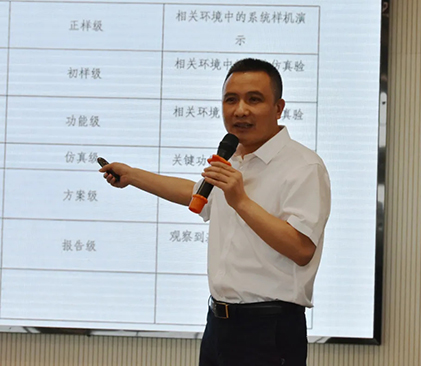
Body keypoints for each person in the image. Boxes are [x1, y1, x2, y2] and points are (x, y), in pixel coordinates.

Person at [100, 58, 331, 366]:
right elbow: (198, 194)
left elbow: (302, 249)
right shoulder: (234, 158)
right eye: (230, 99)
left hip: (269, 329)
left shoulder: (304, 166)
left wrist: (241, 201)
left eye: (254, 99)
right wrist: (133, 175)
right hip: (219, 324)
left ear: (278, 108)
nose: (240, 110)